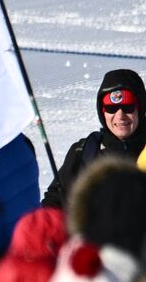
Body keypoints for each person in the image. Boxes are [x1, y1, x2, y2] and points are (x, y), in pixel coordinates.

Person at [41, 68, 146, 208]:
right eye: (111, 109)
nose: (120, 116)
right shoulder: (85, 151)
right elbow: (55, 201)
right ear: (102, 112)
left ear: (140, 108)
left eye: (128, 107)